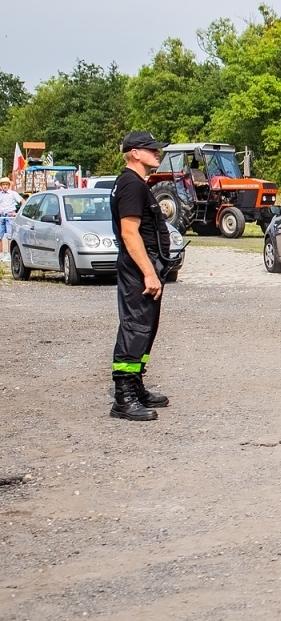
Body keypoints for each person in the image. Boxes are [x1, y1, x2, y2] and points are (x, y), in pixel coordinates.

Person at [110, 131, 175, 422]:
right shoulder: (130, 184)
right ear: (135, 153)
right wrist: (148, 272)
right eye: (151, 149)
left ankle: (136, 387)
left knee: (146, 328)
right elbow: (129, 232)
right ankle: (124, 398)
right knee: (136, 327)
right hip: (139, 267)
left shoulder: (136, 183)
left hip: (146, 265)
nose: (157, 153)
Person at [0, 176, 21, 255]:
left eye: (6, 184)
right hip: (2, 216)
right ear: (1, 186)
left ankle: (9, 254)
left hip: (10, 215)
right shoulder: (0, 194)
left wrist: (17, 213)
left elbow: (22, 201)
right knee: (0, 235)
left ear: (9, 185)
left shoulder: (13, 193)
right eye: (3, 184)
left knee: (10, 236)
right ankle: (1, 254)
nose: (5, 186)